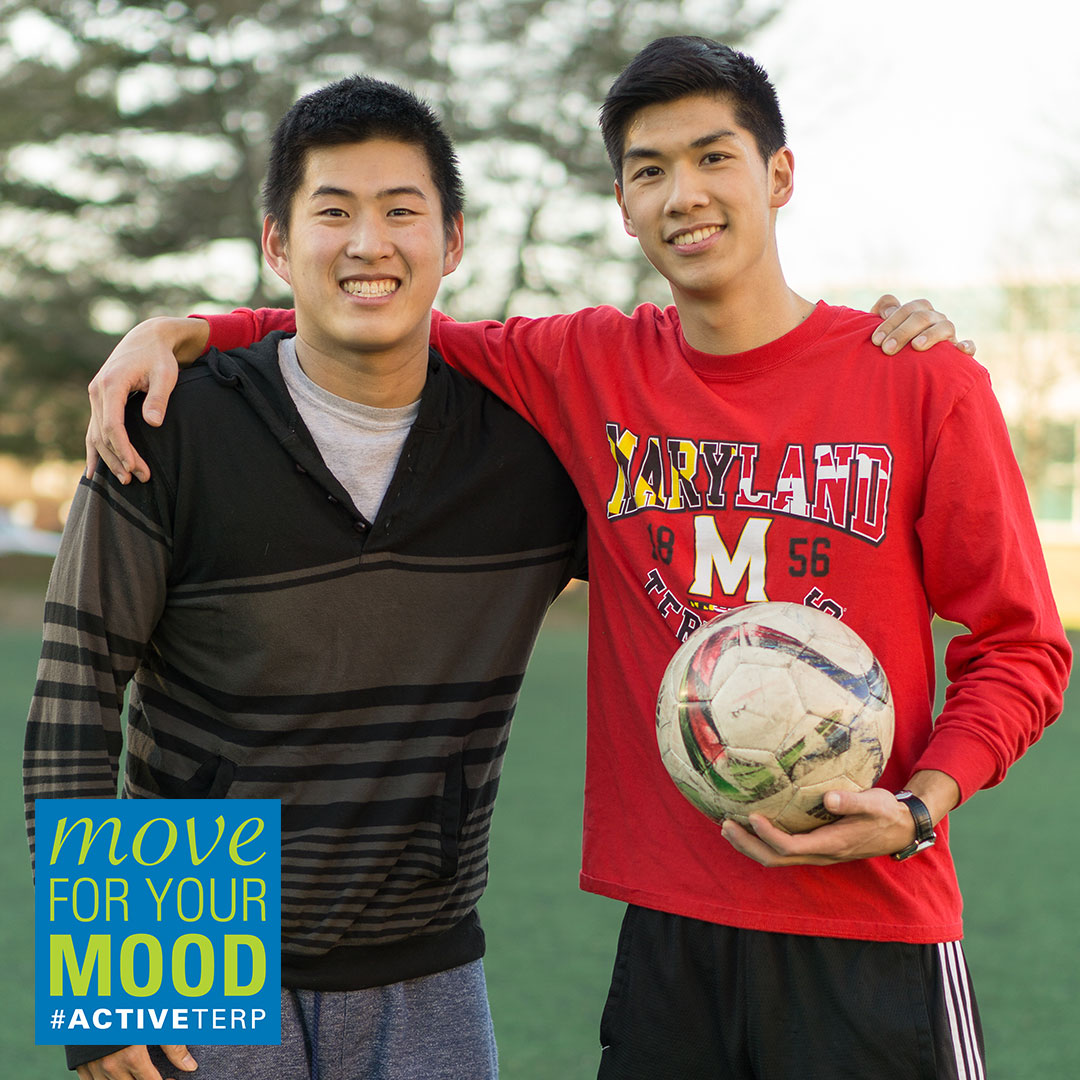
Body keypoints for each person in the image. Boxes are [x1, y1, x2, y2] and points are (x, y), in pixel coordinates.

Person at [82, 38, 1071, 1080]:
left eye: (712, 157)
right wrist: (186, 328)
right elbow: (375, 324)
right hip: (668, 941)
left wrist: (920, 807)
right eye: (650, 170)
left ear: (779, 175)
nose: (683, 193)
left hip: (872, 936)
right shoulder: (588, 365)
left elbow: (1022, 644)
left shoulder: (918, 381)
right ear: (623, 204)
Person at [24, 75, 586, 1080]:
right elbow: (74, 698)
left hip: (428, 951)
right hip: (191, 931)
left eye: (401, 212)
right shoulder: (171, 426)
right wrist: (105, 989)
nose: (369, 243)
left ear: (452, 242)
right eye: (334, 212)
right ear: (279, 244)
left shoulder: (531, 457)